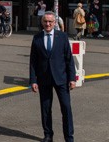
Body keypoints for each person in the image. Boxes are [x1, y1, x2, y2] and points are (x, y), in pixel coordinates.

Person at [29, 11, 76, 142]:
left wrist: (72, 78)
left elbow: (69, 59)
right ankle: (48, 135)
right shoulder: (36, 38)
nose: (48, 24)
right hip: (44, 79)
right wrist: (33, 80)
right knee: (45, 109)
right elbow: (33, 61)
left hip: (61, 79)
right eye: (45, 21)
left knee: (66, 108)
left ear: (55, 23)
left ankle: (69, 137)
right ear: (42, 22)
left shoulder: (62, 37)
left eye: (50, 21)